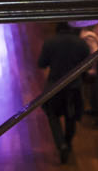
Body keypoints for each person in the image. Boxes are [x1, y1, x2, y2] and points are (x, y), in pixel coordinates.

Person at [35, 19, 91, 163]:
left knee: (52, 115)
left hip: (55, 86)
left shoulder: (50, 42)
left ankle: (61, 144)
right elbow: (88, 66)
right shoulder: (81, 43)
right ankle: (68, 142)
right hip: (75, 87)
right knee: (71, 117)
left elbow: (42, 64)